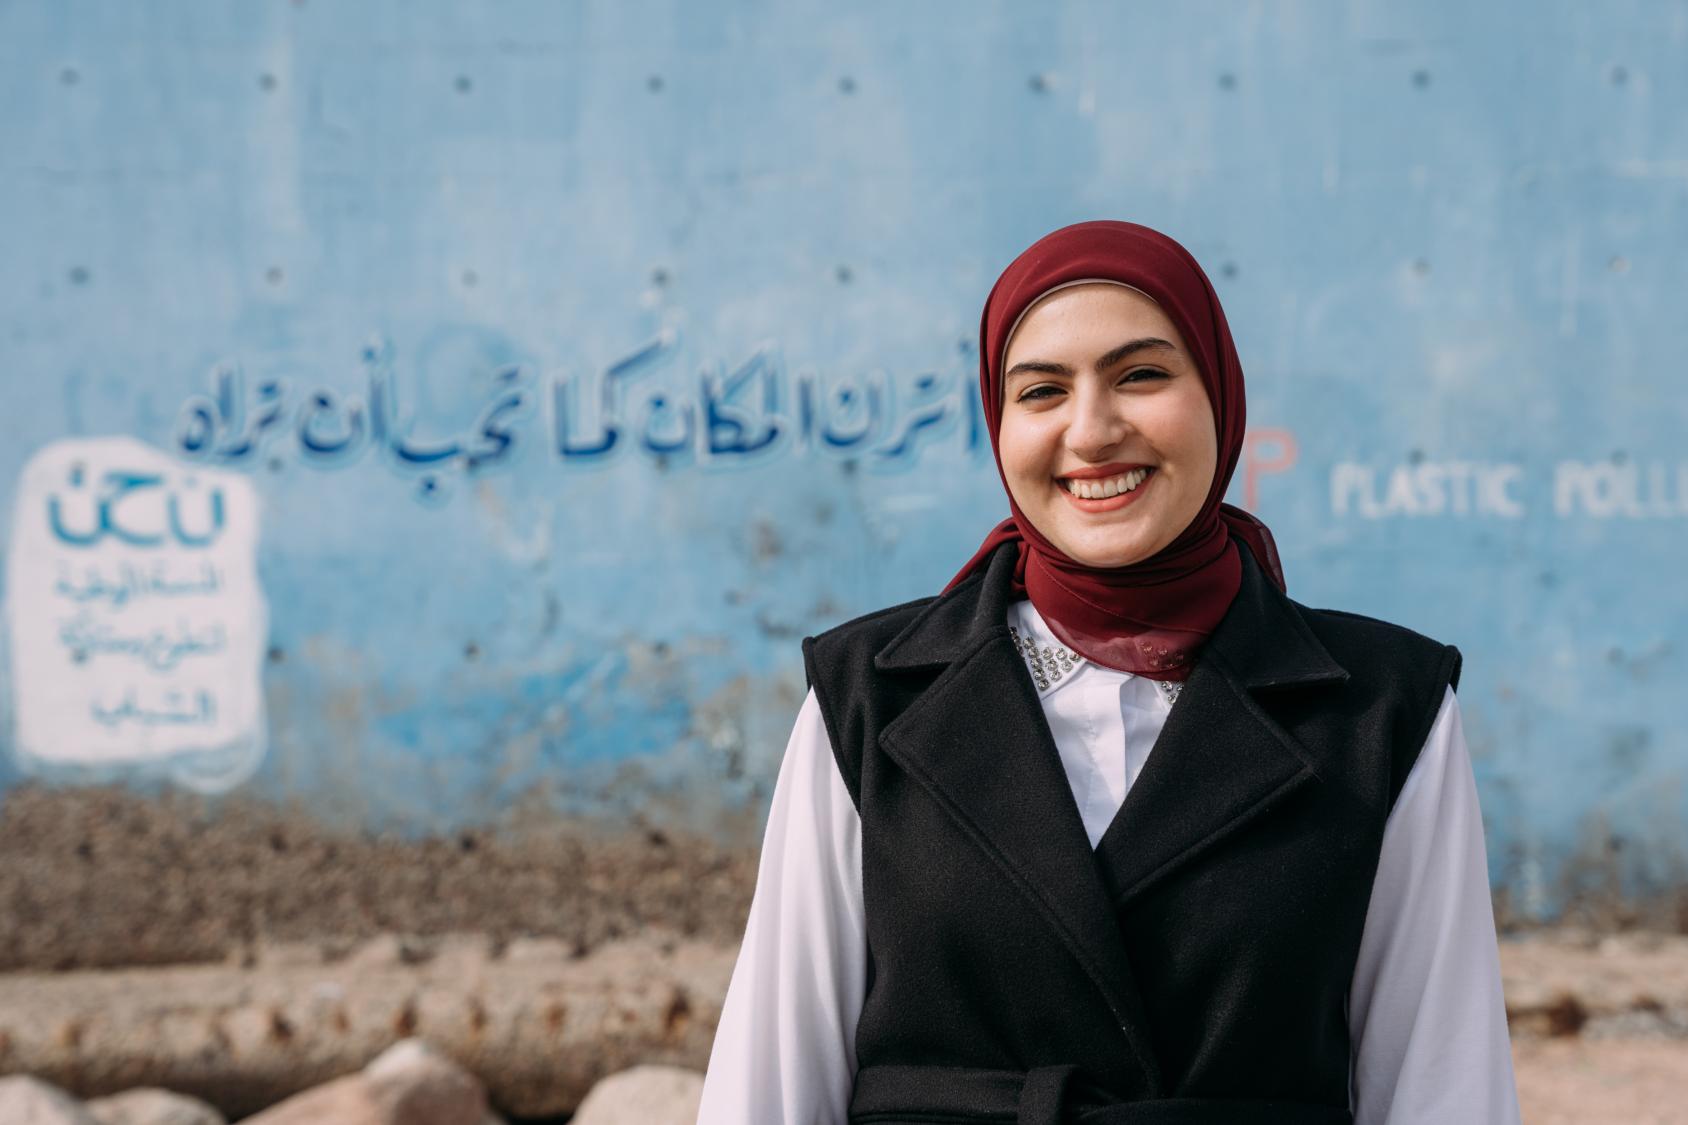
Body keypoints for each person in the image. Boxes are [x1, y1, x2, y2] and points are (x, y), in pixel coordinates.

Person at [695, 221, 1521, 1124]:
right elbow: (772, 1084)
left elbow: (1445, 1089)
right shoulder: (871, 697)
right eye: (1041, 391)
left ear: (1221, 396)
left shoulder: (1381, 708)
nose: (1090, 431)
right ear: (998, 424)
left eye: (1141, 375)